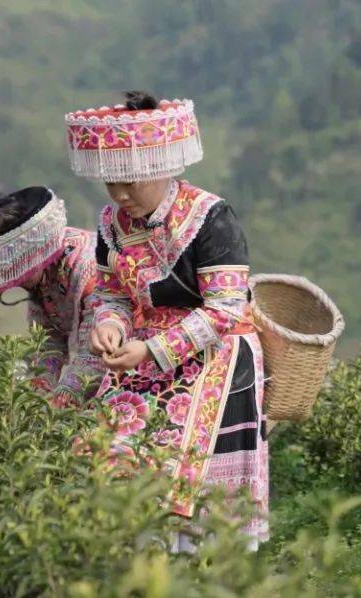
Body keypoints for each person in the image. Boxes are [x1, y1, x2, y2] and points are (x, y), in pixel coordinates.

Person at [66, 91, 268, 548]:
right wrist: (111, 326)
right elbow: (111, 291)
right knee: (103, 454)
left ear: (162, 167)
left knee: (191, 490)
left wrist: (155, 351)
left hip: (214, 351)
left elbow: (225, 310)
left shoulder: (211, 217)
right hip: (140, 352)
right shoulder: (110, 223)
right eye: (112, 183)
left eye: (131, 182)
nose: (120, 194)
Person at [0, 184, 103, 405]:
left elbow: (95, 354)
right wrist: (31, 399)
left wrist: (57, 404)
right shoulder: (39, 282)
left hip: (135, 359)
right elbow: (48, 344)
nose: (7, 274)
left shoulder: (85, 264)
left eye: (10, 263)